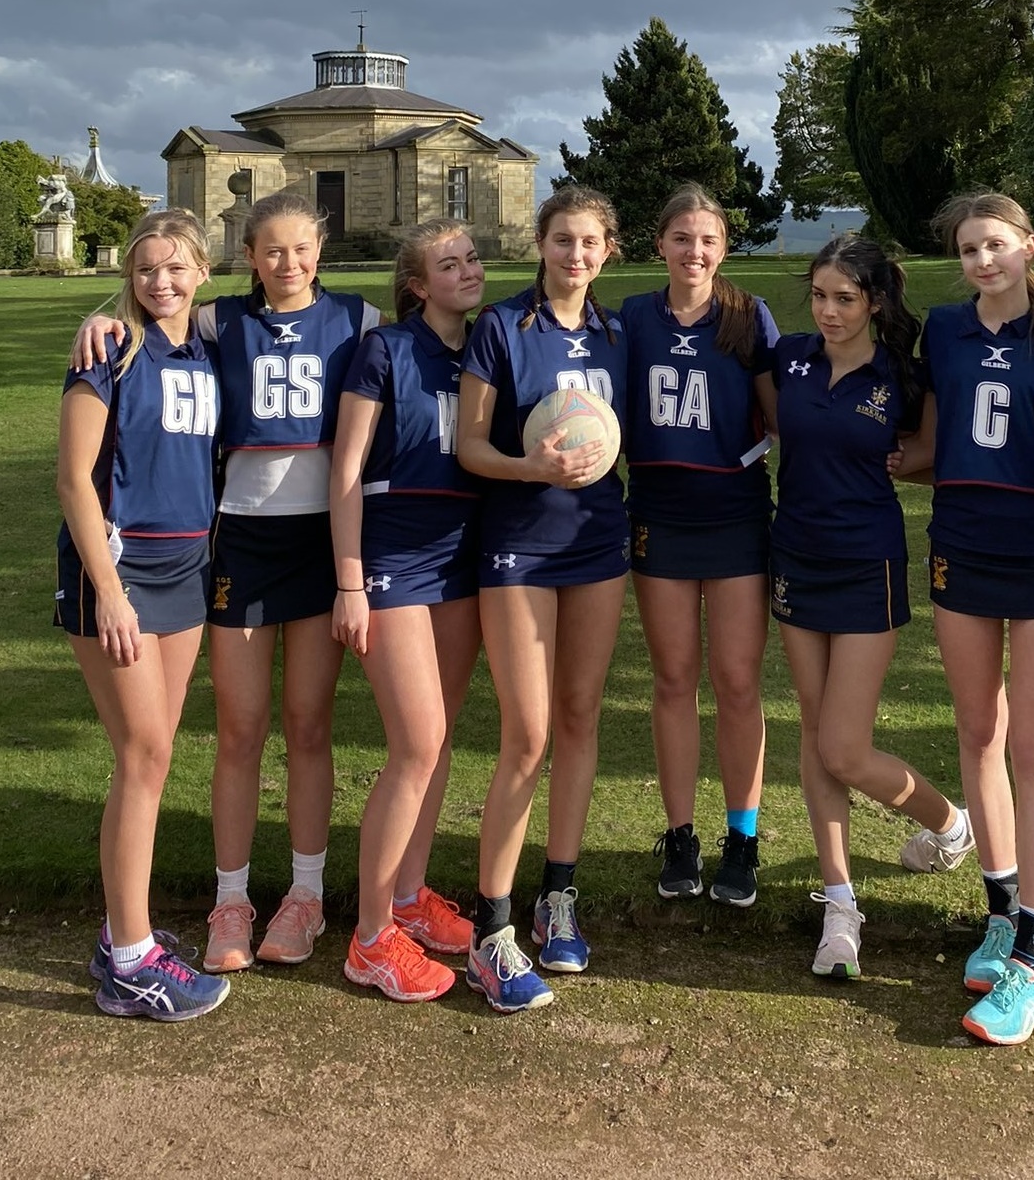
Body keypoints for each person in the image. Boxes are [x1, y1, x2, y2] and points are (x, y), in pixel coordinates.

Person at [74, 192, 382, 973]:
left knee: (308, 725)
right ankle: (231, 898)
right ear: (247, 258)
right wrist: (99, 317)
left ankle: (305, 895)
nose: (287, 263)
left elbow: (435, 325)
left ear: (321, 250)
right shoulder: (219, 324)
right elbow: (149, 317)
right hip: (240, 542)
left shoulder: (361, 320)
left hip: (319, 542)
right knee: (240, 730)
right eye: (271, 251)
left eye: (301, 249)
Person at [897, 192, 1034, 1045]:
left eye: (996, 245)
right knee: (978, 731)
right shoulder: (942, 329)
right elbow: (931, 437)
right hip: (961, 548)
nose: (982, 260)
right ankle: (1003, 909)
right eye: (969, 248)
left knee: (1033, 748)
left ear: (1027, 247)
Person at [770, 234, 970, 979]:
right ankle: (839, 903)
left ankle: (950, 824)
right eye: (819, 295)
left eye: (844, 298)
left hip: (867, 564)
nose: (827, 311)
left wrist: (903, 457)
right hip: (793, 556)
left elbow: (933, 452)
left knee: (843, 747)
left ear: (875, 302)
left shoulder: (901, 375)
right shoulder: (788, 358)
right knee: (815, 731)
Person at [455, 185, 629, 1013]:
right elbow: (471, 446)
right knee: (525, 735)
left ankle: (558, 894)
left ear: (606, 250)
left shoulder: (615, 332)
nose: (575, 255)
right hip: (517, 547)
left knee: (579, 719)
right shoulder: (501, 327)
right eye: (563, 240)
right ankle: (490, 928)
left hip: (596, 544)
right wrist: (535, 469)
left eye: (589, 242)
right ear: (541, 243)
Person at [56, 209, 229, 1020]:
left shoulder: (206, 347)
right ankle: (131, 961)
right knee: (145, 752)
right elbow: (72, 482)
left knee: (155, 758)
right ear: (130, 276)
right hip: (118, 574)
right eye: (146, 269)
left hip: (187, 567)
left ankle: (123, 933)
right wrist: (110, 590)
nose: (161, 281)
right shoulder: (108, 352)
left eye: (176, 268)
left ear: (202, 271)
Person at [329, 219, 486, 1002]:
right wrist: (349, 580)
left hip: (462, 556)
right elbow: (347, 471)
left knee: (440, 737)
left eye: (472, 258)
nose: (468, 271)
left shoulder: (486, 347)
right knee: (415, 744)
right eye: (448, 264)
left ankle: (408, 897)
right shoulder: (385, 350)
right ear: (417, 285)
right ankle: (368, 940)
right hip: (392, 560)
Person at [621, 184, 779, 907]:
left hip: (736, 518)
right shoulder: (631, 319)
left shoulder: (748, 318)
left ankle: (740, 838)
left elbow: (778, 421)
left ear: (723, 247)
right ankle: (679, 833)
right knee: (672, 678)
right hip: (659, 514)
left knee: (737, 681)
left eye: (707, 239)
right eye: (681, 238)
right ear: (660, 245)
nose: (694, 251)